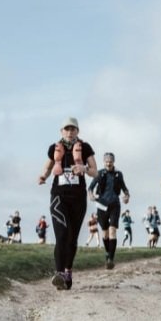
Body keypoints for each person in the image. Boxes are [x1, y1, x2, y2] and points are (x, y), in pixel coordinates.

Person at [38, 117, 97, 290]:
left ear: (78, 131)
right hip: (59, 197)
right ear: (61, 131)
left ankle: (68, 271)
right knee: (62, 234)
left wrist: (84, 169)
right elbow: (48, 167)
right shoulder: (54, 148)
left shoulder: (85, 148)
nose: (70, 132)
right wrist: (43, 176)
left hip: (78, 198)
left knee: (72, 239)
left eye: (73, 129)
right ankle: (59, 273)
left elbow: (95, 172)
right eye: (66, 129)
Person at [87, 152, 131, 269]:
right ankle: (107, 253)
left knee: (112, 231)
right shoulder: (99, 173)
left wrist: (126, 196)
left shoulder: (118, 174)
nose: (108, 163)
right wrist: (90, 195)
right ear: (104, 162)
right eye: (106, 161)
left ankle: (111, 258)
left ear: (113, 162)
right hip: (101, 205)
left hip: (114, 205)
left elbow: (125, 189)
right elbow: (90, 188)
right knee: (105, 233)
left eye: (110, 161)